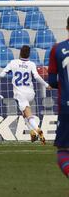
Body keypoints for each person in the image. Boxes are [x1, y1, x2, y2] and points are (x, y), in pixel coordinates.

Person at [0, 45, 51, 144]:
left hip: (20, 94)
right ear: (29, 54)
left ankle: (38, 130)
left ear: (20, 52)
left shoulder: (13, 62)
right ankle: (32, 133)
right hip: (31, 93)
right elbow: (36, 77)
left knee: (28, 114)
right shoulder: (31, 64)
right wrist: (46, 84)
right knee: (24, 114)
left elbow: (2, 74)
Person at [48, 16, 69, 178]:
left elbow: (52, 81)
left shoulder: (57, 49)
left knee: (63, 150)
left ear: (67, 28)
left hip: (66, 106)